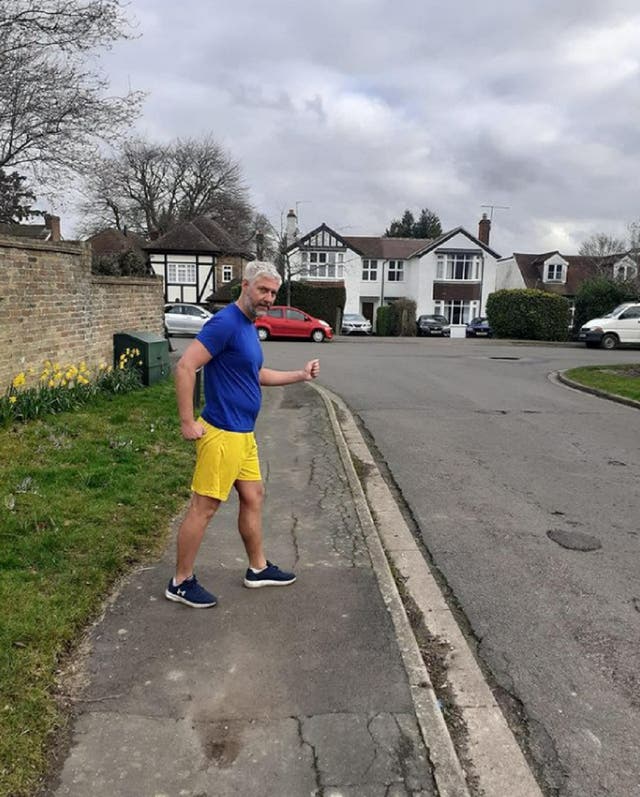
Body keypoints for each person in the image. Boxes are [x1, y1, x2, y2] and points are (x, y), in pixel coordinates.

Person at [165, 261, 320, 608]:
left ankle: (258, 568)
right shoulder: (225, 323)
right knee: (204, 508)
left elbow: (256, 373)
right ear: (245, 286)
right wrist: (188, 422)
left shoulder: (249, 326)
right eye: (263, 290)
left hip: (243, 434)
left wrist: (300, 375)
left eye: (273, 293)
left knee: (253, 495)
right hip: (222, 432)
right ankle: (180, 581)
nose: (268, 297)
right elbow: (186, 366)